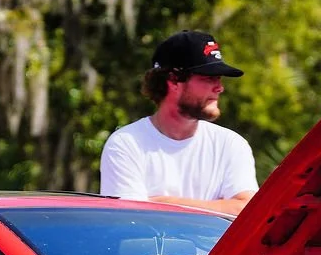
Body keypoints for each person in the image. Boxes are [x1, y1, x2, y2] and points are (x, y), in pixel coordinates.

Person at [99, 30, 258, 216]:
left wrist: (164, 203)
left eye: (219, 78)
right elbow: (131, 221)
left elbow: (247, 211)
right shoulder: (126, 144)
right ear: (174, 80)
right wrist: (220, 207)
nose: (219, 87)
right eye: (208, 78)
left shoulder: (231, 144)